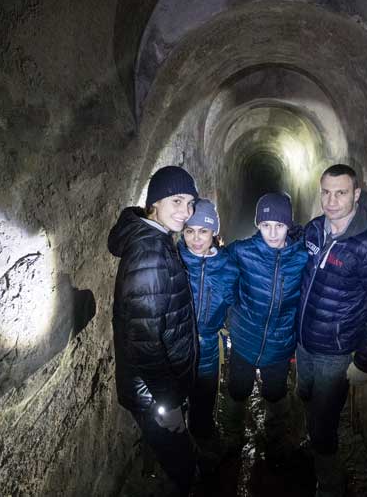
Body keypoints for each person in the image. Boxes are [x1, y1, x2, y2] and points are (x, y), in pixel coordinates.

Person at [296, 164, 367, 497]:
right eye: (325, 192)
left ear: (356, 194)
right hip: (304, 342)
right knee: (306, 397)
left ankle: (329, 485)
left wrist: (365, 362)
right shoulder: (314, 230)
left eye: (341, 193)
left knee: (325, 423)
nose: (331, 201)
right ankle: (311, 443)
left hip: (335, 352)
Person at [108, 165, 199, 497]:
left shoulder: (157, 239)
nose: (185, 212)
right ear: (154, 204)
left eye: (190, 203)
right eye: (177, 201)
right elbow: (145, 343)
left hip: (156, 390)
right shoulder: (150, 252)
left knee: (166, 451)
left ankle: (157, 474)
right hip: (155, 394)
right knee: (182, 466)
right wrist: (170, 401)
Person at [223, 192, 308, 464]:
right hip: (245, 339)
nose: (273, 233)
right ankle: (232, 435)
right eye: (266, 225)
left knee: (275, 392)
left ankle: (274, 436)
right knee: (237, 388)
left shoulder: (301, 258)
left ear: (289, 225)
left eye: (279, 225)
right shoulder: (241, 251)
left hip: (280, 343)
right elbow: (218, 273)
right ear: (257, 224)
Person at [177, 199, 239, 470]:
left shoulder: (228, 267)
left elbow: (234, 305)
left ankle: (202, 447)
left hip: (209, 347)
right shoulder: (174, 261)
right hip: (177, 345)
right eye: (189, 231)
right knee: (174, 405)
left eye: (203, 231)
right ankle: (180, 456)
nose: (195, 238)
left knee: (203, 402)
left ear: (214, 232)